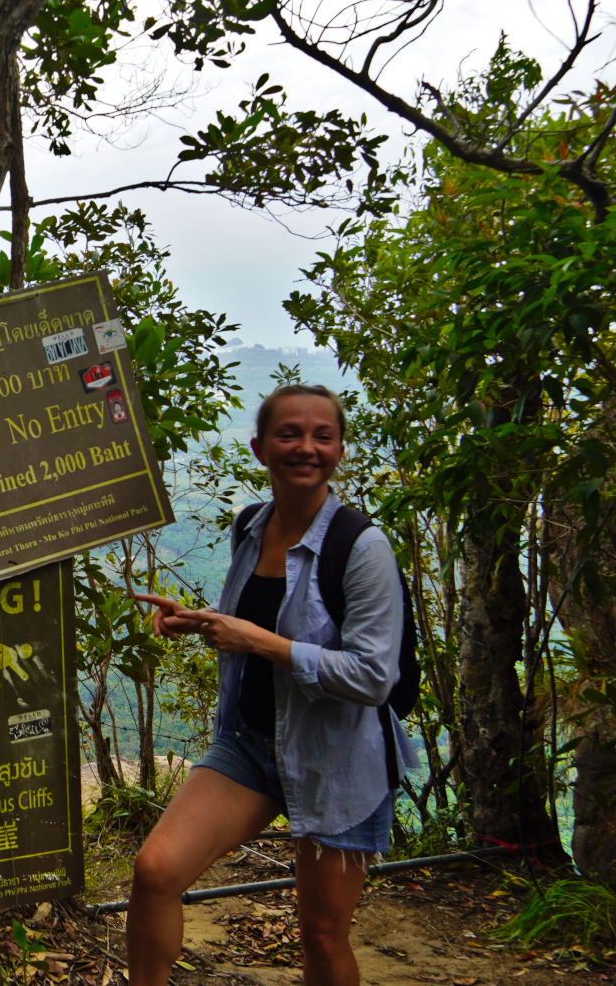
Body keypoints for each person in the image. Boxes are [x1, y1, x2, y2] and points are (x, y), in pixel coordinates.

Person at [129, 385, 414, 986]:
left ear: (338, 449)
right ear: (260, 447)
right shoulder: (251, 528)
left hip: (337, 759)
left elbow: (372, 676)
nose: (306, 447)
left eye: (322, 435)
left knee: (321, 932)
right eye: (289, 434)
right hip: (252, 745)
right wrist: (202, 622)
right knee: (155, 870)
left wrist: (253, 639)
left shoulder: (362, 548)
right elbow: (265, 624)